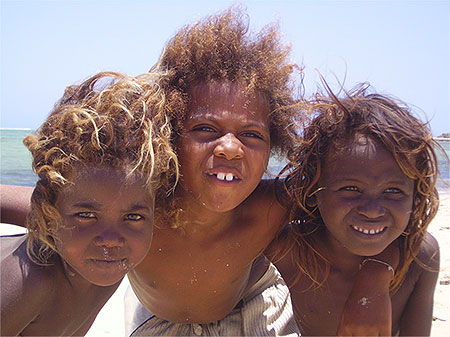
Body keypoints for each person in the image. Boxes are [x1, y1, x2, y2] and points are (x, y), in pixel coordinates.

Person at [1, 8, 397, 337]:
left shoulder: (275, 205)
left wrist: (375, 279)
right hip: (161, 319)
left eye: (251, 134)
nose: (228, 146)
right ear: (171, 136)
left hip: (255, 301)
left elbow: (370, 210)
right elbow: (43, 205)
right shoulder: (135, 209)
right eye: (205, 129)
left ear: (274, 144)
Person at [1, 72, 177, 336]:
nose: (111, 239)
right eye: (86, 215)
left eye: (133, 217)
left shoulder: (105, 261)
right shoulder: (29, 283)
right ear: (48, 215)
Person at [267, 84, 441, 336]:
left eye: (393, 191)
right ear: (314, 191)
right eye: (351, 188)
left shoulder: (421, 258)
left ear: (415, 198)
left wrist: (376, 275)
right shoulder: (282, 250)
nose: (372, 211)